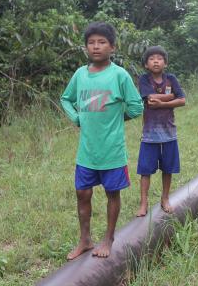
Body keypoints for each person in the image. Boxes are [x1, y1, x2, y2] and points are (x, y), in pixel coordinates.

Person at [60, 22, 143, 260]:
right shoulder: (80, 74)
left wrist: (118, 118)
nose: (96, 47)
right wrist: (76, 118)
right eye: (91, 42)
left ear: (112, 47)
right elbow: (66, 99)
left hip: (112, 152)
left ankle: (108, 238)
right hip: (87, 152)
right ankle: (85, 239)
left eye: (102, 42)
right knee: (82, 193)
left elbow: (137, 106)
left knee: (112, 194)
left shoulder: (119, 75)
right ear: (86, 47)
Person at [135, 45, 186, 217]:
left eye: (159, 58)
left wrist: (164, 102)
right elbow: (149, 99)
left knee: (168, 168)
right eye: (151, 59)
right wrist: (172, 96)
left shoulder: (171, 78)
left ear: (165, 63)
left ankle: (165, 199)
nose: (156, 61)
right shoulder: (144, 79)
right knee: (145, 170)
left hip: (169, 133)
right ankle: (143, 203)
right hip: (149, 135)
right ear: (146, 64)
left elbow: (183, 100)